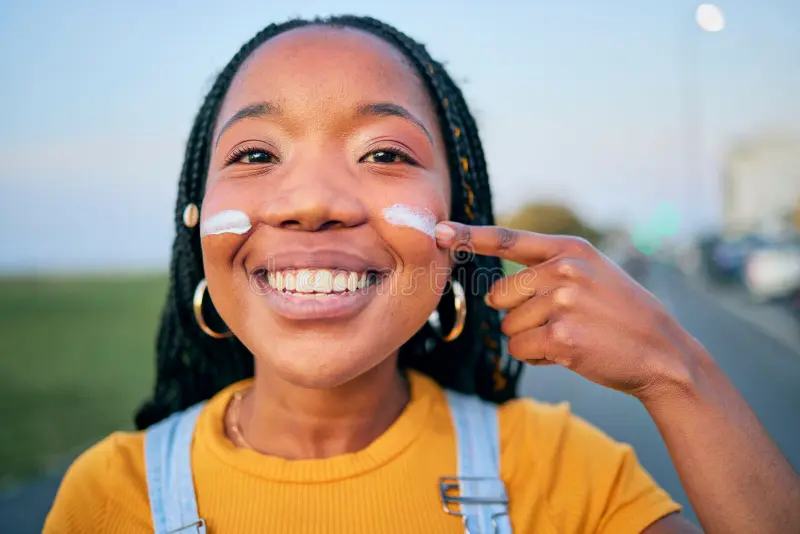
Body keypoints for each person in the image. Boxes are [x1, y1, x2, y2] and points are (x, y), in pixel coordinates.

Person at [44, 15, 799, 534]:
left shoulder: (558, 474)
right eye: (255, 155)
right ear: (194, 219)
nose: (310, 203)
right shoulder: (111, 496)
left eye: (384, 154)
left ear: (458, 223)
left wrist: (677, 373)